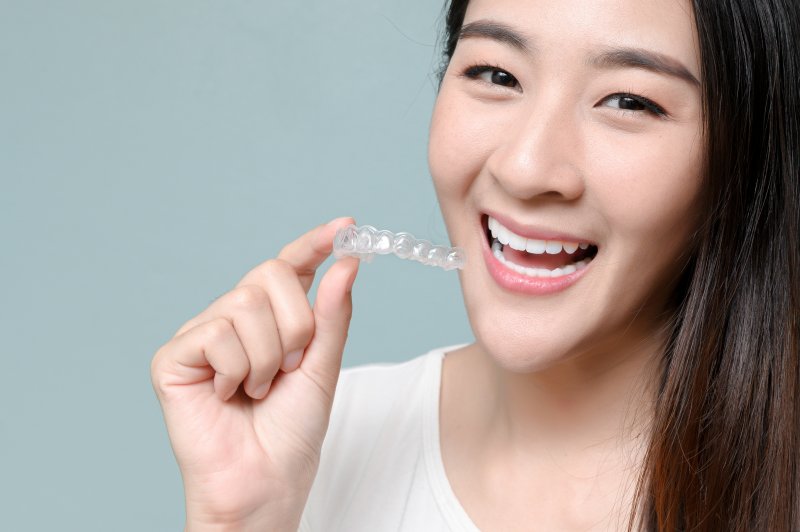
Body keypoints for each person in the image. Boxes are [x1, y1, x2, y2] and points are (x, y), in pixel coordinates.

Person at [150, 0, 799, 529]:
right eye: (496, 74)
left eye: (629, 101)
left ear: (746, 157)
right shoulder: (318, 439)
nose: (524, 168)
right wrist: (242, 521)